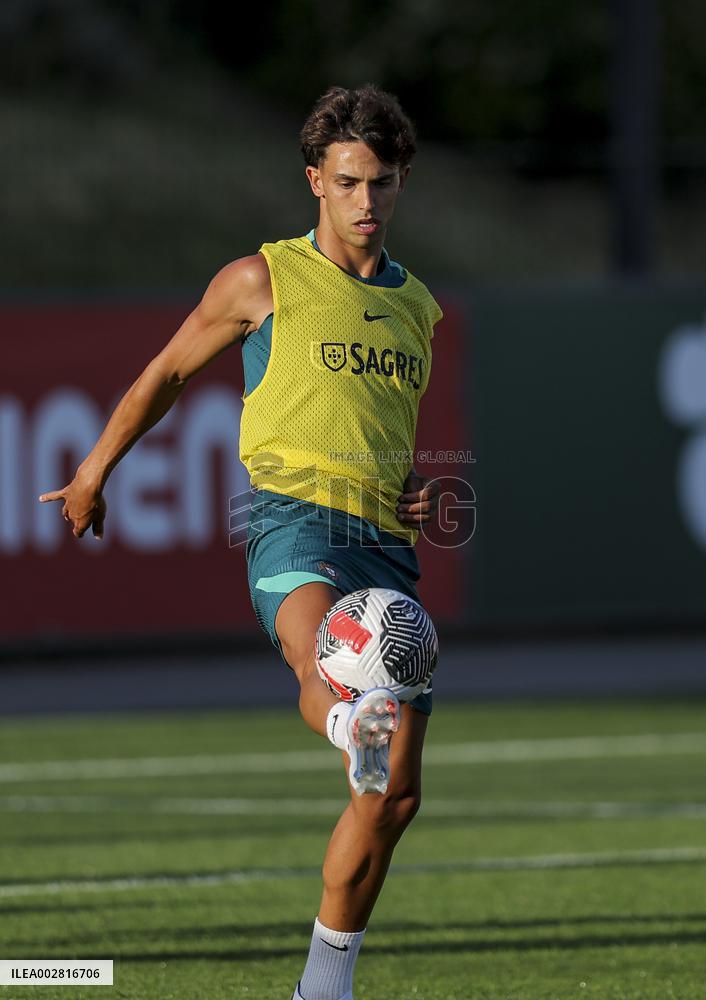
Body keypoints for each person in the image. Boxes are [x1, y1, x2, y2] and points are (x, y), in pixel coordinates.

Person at [39, 83, 443, 1000]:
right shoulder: (263, 278)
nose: (366, 202)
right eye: (347, 182)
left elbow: (380, 431)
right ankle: (349, 719)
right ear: (315, 181)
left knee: (393, 803)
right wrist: (97, 467)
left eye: (382, 183)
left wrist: (409, 490)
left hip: (382, 546)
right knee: (322, 660)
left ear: (401, 182)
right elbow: (169, 371)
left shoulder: (418, 308)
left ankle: (321, 986)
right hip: (291, 519)